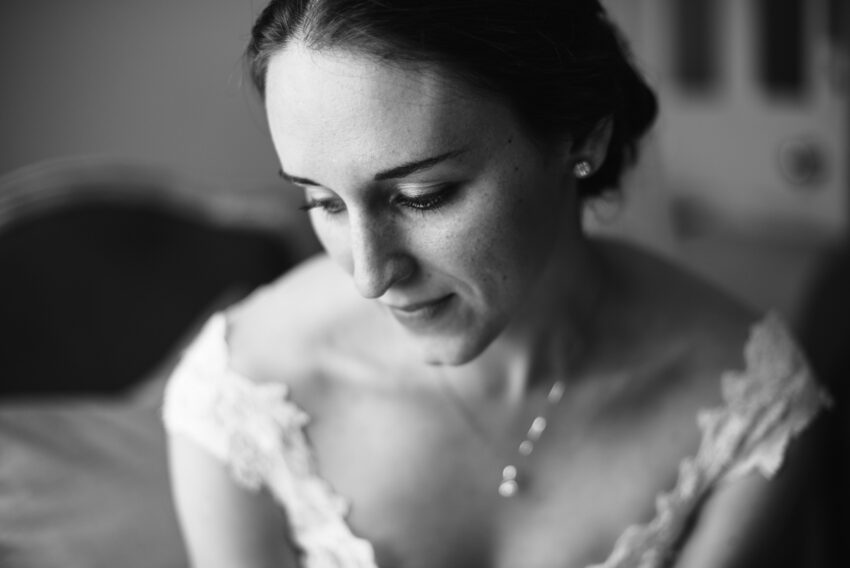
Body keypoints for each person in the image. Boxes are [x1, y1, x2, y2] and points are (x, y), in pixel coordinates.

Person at [162, 1, 834, 566]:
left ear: (582, 138)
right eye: (323, 203)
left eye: (422, 196)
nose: (369, 275)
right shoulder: (243, 399)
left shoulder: (746, 406)